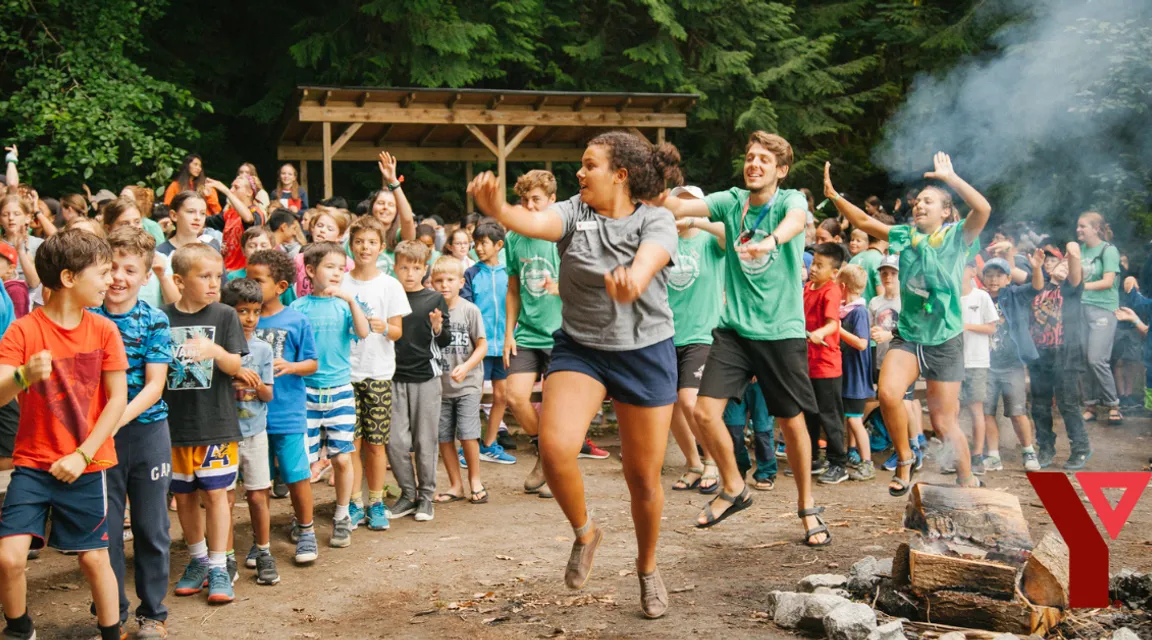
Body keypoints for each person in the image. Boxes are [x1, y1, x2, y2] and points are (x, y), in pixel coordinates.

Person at [469, 130, 682, 618]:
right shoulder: (573, 211)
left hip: (645, 352)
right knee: (555, 446)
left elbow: (650, 259)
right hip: (582, 348)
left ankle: (647, 569)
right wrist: (499, 209)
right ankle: (586, 533)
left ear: (621, 175)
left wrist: (635, 279)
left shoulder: (657, 219)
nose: (580, 173)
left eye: (590, 165)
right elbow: (536, 221)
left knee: (642, 479)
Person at [661, 131, 825, 548]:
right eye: (750, 158)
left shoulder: (789, 202)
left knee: (791, 423)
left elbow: (793, 223)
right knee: (702, 411)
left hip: (780, 332)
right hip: (733, 330)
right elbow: (684, 204)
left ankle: (807, 507)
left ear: (780, 170)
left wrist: (770, 239)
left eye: (764, 160)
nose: (754, 164)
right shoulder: (731, 201)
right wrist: (647, 195)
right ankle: (734, 486)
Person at [824, 152, 992, 495]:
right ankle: (905, 459)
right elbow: (867, 223)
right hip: (910, 335)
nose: (919, 205)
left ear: (945, 211)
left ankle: (966, 477)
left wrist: (951, 179)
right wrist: (835, 197)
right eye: (917, 202)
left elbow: (984, 209)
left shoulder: (957, 237)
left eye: (929, 201)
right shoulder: (904, 235)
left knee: (944, 422)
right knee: (886, 393)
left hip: (945, 339)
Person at [0, 230, 128, 640]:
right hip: (33, 464)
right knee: (8, 558)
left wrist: (83, 456)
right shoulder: (23, 331)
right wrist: (23, 375)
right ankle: (20, 630)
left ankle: (112, 632)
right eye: (103, 272)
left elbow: (116, 401)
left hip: (87, 466)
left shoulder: (105, 330)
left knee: (94, 559)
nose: (111, 280)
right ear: (70, 277)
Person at [91, 227, 174, 639]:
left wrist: (114, 419)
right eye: (113, 268)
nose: (119, 277)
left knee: (151, 525)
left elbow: (155, 385)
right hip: (94, 440)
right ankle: (111, 612)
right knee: (102, 528)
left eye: (130, 269)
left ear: (146, 277)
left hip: (145, 432)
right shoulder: (86, 317)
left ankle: (152, 614)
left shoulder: (155, 320)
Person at [163, 243, 247, 604]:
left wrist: (215, 352)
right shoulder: (161, 318)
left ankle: (218, 566)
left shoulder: (225, 315)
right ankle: (196, 561)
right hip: (174, 426)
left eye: (218, 276)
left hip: (217, 423)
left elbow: (235, 367)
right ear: (179, 281)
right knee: (183, 497)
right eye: (205, 276)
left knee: (216, 495)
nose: (215, 283)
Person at [290, 243, 370, 547]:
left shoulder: (346, 305)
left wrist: (350, 299)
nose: (337, 272)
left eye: (341, 267)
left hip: (339, 391)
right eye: (329, 266)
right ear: (310, 271)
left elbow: (363, 332)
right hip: (305, 393)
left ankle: (342, 515)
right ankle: (304, 520)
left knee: (342, 457)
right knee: (305, 463)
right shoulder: (298, 308)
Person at [247, 249, 320, 564]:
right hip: (250, 418)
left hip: (288, 412)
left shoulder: (296, 319)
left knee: (296, 475)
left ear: (280, 285)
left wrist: (291, 366)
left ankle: (306, 531)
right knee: (256, 482)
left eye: (257, 280)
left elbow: (313, 364)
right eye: (247, 279)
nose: (250, 285)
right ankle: (260, 541)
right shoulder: (238, 317)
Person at [341, 217, 409, 531]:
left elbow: (398, 331)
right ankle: (354, 502)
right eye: (359, 242)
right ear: (350, 246)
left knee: (376, 443)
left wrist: (385, 327)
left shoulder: (390, 284)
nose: (365, 247)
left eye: (371, 242)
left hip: (378, 373)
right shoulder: (341, 283)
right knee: (351, 443)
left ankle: (376, 502)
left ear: (381, 247)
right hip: (345, 373)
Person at [503, 170, 563, 499]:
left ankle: (554, 469)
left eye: (536, 200)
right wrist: (509, 333)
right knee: (514, 397)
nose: (529, 206)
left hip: (561, 334)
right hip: (526, 332)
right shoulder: (514, 237)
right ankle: (546, 455)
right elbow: (513, 289)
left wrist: (561, 287)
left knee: (555, 406)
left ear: (552, 200)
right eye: (524, 200)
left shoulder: (560, 234)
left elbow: (584, 280)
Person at [217, 279, 278, 587]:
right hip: (223, 434)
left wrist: (255, 385)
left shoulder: (263, 349)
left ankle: (264, 552)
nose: (251, 318)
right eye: (243, 311)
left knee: (258, 495)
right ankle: (225, 558)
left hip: (255, 432)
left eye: (256, 311)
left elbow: (269, 394)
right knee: (223, 499)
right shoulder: (218, 347)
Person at [665, 186, 726, 494]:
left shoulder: (709, 239)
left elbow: (729, 233)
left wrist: (695, 221)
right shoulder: (665, 240)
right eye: (680, 202)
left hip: (703, 333)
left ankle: (712, 461)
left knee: (690, 400)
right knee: (671, 405)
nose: (684, 207)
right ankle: (693, 464)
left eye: (691, 203)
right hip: (666, 334)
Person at [389, 241, 451, 523]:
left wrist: (438, 328)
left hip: (426, 378)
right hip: (392, 377)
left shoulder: (433, 299)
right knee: (395, 441)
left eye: (416, 268)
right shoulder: (389, 296)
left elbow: (446, 339)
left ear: (424, 269)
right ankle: (407, 494)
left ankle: (426, 497)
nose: (410, 273)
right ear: (395, 267)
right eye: (404, 267)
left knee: (425, 441)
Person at [431, 256, 488, 503]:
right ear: (432, 283)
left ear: (461, 282)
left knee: (467, 433)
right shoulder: (431, 311)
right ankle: (456, 485)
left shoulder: (469, 310)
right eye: (439, 280)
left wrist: (466, 366)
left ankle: (475, 480)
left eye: (450, 280)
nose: (445, 285)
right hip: (439, 386)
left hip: (468, 383)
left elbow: (482, 345)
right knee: (444, 437)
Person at [1030, 244, 1092, 469]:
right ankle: (1045, 448)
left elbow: (1074, 259)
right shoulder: (1039, 285)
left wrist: (1072, 251)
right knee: (1039, 405)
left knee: (1067, 403)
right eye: (1049, 261)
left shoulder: (1071, 288)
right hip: (1039, 353)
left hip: (1064, 353)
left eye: (1055, 260)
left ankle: (1081, 448)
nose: (1051, 264)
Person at [462, 222, 514, 464]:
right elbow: (467, 308)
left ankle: (490, 444)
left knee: (501, 396)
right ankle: (467, 446)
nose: (478, 248)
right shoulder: (471, 274)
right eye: (476, 244)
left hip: (504, 345)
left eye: (483, 243)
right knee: (472, 397)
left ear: (498, 245)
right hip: (478, 347)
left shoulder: (509, 272)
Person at [804, 243, 848, 484]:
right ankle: (812, 458)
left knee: (829, 415)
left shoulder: (831, 290)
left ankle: (839, 463)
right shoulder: (807, 288)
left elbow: (833, 323)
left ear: (833, 272)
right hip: (807, 363)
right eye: (813, 263)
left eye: (820, 265)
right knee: (809, 413)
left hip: (827, 364)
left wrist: (820, 333)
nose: (813, 269)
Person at [1077, 212, 1123, 424]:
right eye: (1078, 226)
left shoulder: (1108, 250)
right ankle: (1091, 405)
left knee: (1097, 359)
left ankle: (1113, 404)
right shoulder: (1080, 250)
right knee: (1084, 359)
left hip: (1103, 310)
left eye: (1082, 226)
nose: (1078, 230)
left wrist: (1080, 287)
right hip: (1081, 309)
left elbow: (1107, 281)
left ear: (1096, 228)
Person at [953, 262, 997, 475]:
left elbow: (991, 327)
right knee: (951, 411)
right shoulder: (949, 296)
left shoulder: (981, 297)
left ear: (972, 271)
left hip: (977, 361)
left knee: (975, 408)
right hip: (952, 362)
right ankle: (954, 456)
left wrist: (967, 326)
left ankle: (978, 455)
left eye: (962, 266)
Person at [837, 264, 874, 481]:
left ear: (843, 286)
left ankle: (867, 463)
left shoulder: (859, 312)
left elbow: (861, 343)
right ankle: (852, 452)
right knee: (850, 418)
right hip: (846, 373)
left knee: (854, 420)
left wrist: (838, 329)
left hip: (855, 376)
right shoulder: (846, 309)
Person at [362, 152, 418, 275]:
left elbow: (408, 220)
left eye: (391, 205)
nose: (385, 207)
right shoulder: (359, 235)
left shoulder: (399, 236)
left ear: (397, 211)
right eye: (381, 203)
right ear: (372, 207)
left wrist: (393, 181)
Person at [206, 175, 267, 273]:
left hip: (244, 274)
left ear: (249, 192)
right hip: (226, 271)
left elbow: (248, 218)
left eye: (236, 187)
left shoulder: (256, 212)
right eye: (231, 187)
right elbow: (204, 222)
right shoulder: (229, 213)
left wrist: (226, 191)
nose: (231, 190)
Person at [293, 209, 351, 298]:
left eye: (330, 229)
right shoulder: (299, 259)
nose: (322, 230)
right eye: (320, 226)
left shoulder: (347, 263)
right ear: (312, 228)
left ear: (339, 236)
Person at [157, 191, 220, 256]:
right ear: (174, 215)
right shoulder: (160, 254)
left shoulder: (212, 246)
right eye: (191, 212)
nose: (198, 218)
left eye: (203, 213)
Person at [0, 195, 41, 289]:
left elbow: (34, 283)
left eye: (17, 214)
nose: (11, 218)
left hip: (29, 300)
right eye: (5, 214)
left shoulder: (38, 244)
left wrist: (21, 252)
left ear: (27, 218)